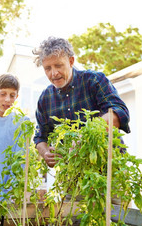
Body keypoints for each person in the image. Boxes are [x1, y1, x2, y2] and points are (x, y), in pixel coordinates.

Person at [32, 36, 130, 168]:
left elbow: (118, 113)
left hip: (109, 166)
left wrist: (84, 136)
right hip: (73, 173)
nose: (54, 73)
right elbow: (40, 137)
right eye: (47, 68)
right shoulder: (45, 98)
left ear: (71, 61)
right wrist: (45, 153)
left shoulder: (94, 80)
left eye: (58, 65)